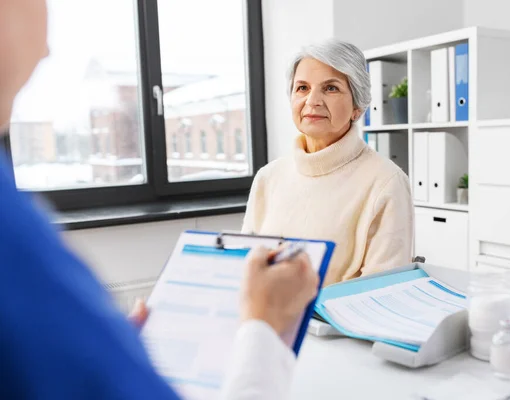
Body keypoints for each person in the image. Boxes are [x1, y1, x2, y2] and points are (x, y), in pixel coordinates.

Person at [0, 1, 318, 399]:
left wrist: (110, 348)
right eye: (302, 88)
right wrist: (265, 330)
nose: (46, 49)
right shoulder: (10, 232)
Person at [242, 39, 414, 286]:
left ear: (357, 106)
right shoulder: (268, 178)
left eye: (330, 88)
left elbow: (381, 293)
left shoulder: (386, 183)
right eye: (302, 88)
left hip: (335, 324)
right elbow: (246, 268)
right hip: (267, 320)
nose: (312, 101)